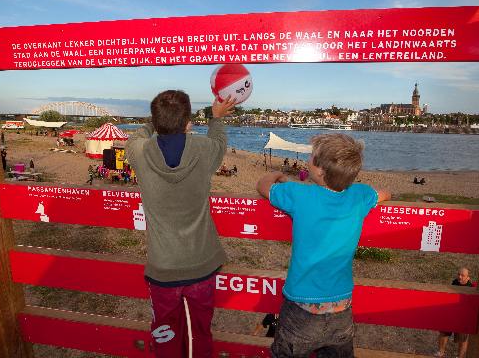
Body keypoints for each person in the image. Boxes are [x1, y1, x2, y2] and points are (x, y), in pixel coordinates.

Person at [256, 133, 391, 357]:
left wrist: (277, 174)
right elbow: (386, 193)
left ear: (319, 170)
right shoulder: (360, 195)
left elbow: (262, 186)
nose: (308, 160)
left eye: (311, 157)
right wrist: (372, 193)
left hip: (301, 309)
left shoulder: (299, 194)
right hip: (341, 309)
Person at [126, 90, 236, 358]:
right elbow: (219, 141)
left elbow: (135, 136)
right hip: (202, 263)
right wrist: (216, 117)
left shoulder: (139, 152)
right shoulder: (203, 149)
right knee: (199, 332)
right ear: (187, 120)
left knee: (165, 334)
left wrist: (155, 122)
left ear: (155, 119)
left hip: (163, 268)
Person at [435, 268, 473, 358]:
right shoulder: (454, 283)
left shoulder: (471, 288)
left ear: (468, 278)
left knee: (462, 339)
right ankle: (441, 352)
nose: (459, 277)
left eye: (462, 275)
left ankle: (460, 357)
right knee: (444, 333)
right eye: (459, 274)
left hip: (463, 317)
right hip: (451, 314)